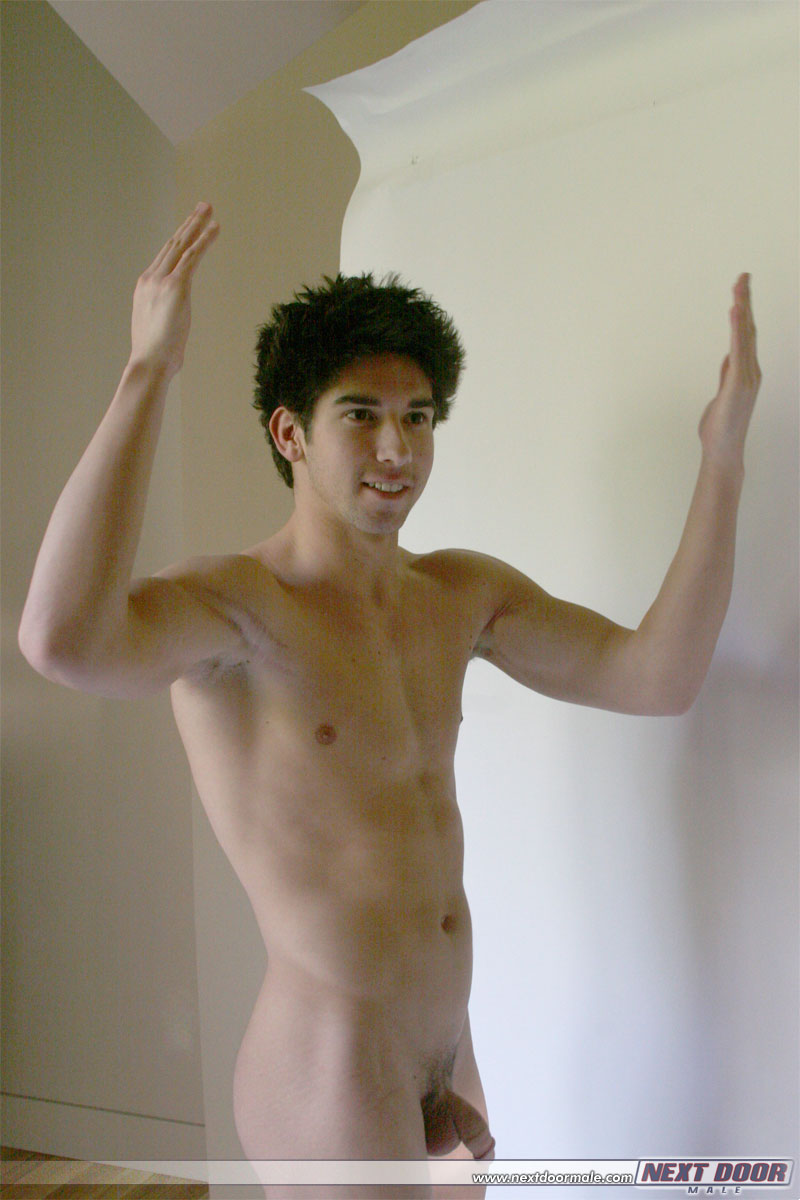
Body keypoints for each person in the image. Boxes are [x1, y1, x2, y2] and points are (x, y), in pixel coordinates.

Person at [18, 203, 761, 1200]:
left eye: (417, 418)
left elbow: (655, 677)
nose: (396, 448)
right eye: (360, 415)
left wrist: (722, 460)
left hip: (446, 1053)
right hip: (328, 1060)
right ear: (290, 432)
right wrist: (148, 371)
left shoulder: (458, 594)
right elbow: (61, 641)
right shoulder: (239, 608)